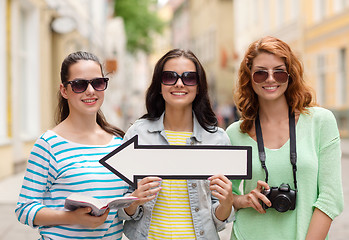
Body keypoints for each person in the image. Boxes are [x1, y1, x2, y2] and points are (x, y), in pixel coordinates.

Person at [226, 36, 344, 240]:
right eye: (260, 73)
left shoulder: (321, 122)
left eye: (279, 72)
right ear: (249, 77)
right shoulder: (235, 133)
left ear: (290, 75)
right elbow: (226, 198)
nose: (270, 79)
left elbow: (330, 198)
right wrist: (244, 199)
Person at [118, 49, 234, 240]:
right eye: (170, 76)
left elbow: (219, 220)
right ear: (159, 84)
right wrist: (135, 199)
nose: (179, 83)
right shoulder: (137, 135)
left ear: (198, 86)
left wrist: (227, 203)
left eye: (189, 78)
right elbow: (122, 209)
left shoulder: (217, 140)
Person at [15, 51, 128, 239]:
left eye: (97, 83)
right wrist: (73, 217)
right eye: (79, 84)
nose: (90, 91)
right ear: (64, 90)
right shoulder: (48, 145)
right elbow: (24, 209)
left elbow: (126, 209)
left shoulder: (118, 144)